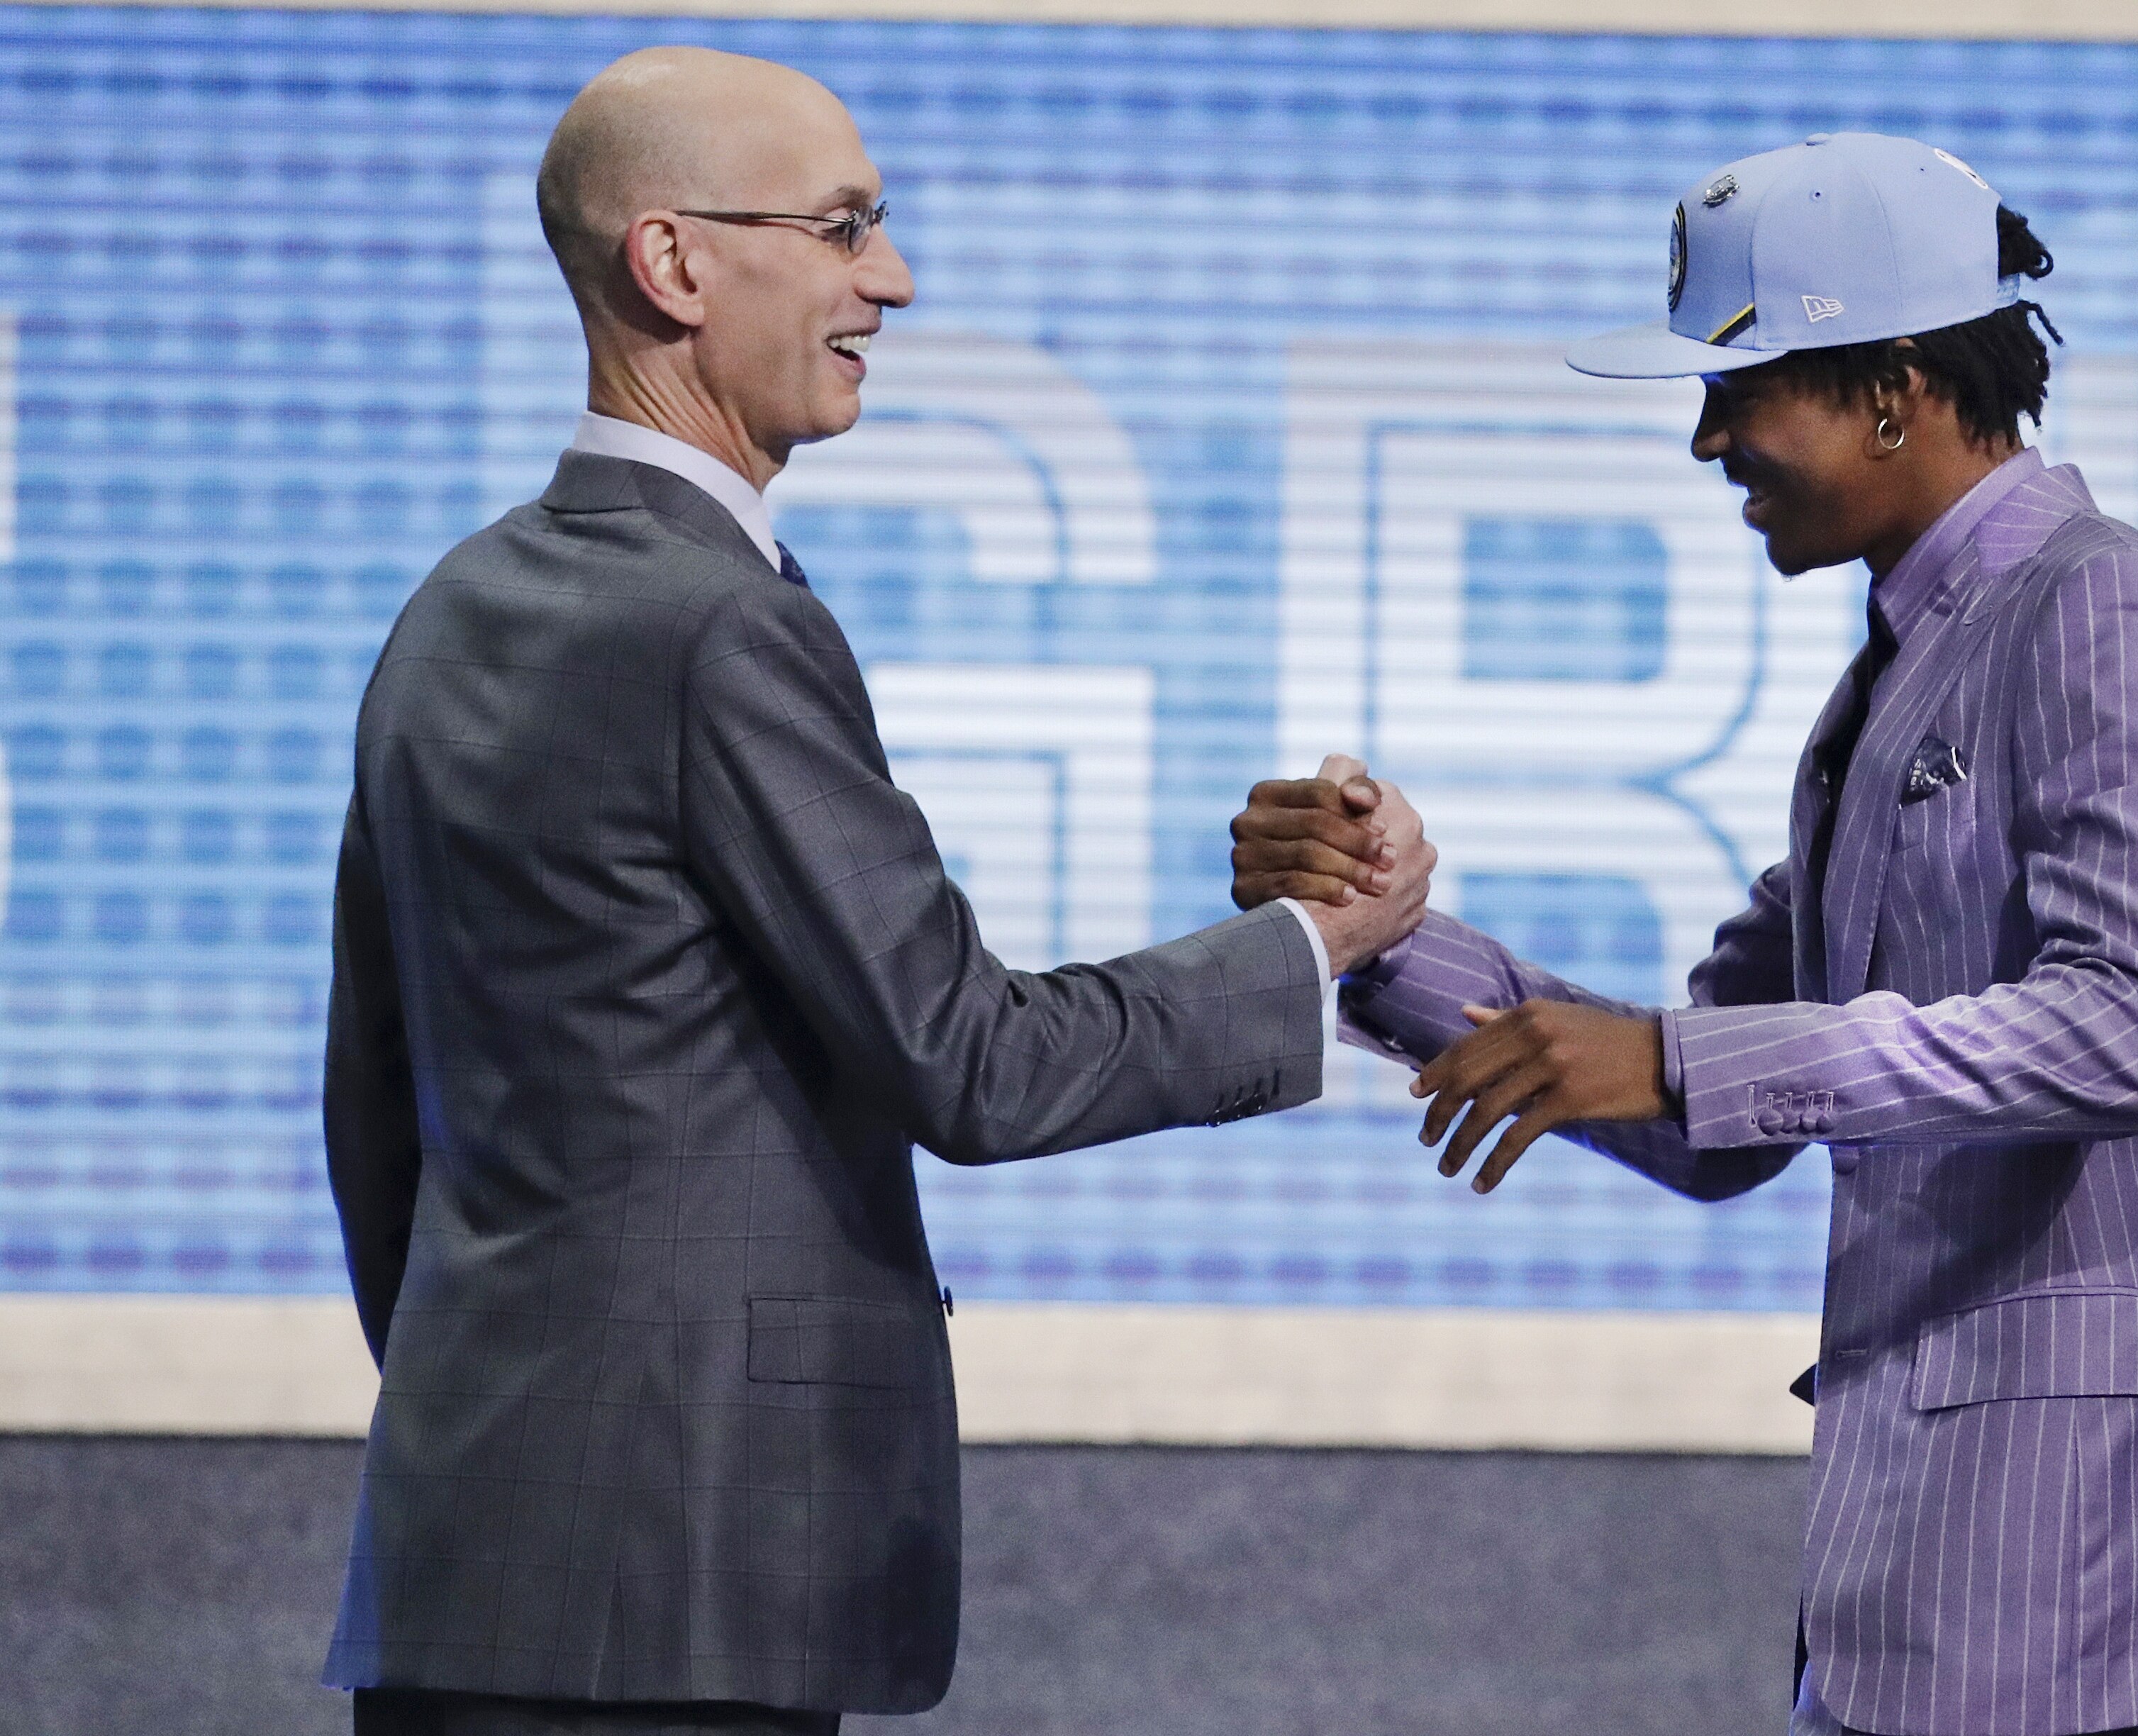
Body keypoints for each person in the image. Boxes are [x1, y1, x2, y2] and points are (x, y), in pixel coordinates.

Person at [1233, 133, 2138, 1736]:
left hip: (2068, 1566)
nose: (1710, 436)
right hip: (1924, 1570)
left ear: (1897, 389)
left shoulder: (2103, 605)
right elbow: (1711, 1119)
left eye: (1743, 384)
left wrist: (1680, 1060)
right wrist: (1379, 944)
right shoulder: (1896, 673)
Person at [320, 47, 1432, 1736]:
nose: (890, 280)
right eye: (843, 229)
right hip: (683, 1595)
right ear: (674, 262)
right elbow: (968, 1058)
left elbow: (374, 1111)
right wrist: (1315, 945)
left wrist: (533, 1437)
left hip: (483, 1554)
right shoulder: (718, 626)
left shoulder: (455, 607)